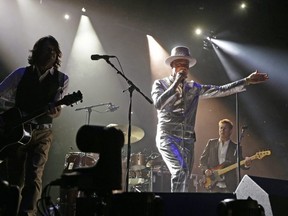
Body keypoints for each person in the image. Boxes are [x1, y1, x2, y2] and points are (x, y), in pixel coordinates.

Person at [151, 46, 268, 192]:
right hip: (167, 136)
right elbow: (158, 103)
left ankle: (180, 205)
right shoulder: (160, 84)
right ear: (172, 66)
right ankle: (178, 209)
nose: (183, 69)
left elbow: (221, 90)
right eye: (180, 65)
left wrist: (246, 81)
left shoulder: (193, 88)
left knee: (185, 176)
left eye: (186, 66)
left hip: (187, 140)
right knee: (180, 170)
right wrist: (176, 84)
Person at [0, 35, 69, 216]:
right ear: (37, 52)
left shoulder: (62, 79)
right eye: (47, 49)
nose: (51, 54)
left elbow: (58, 108)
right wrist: (10, 113)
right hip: (17, 132)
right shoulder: (21, 74)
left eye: (54, 51)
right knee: (14, 179)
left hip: (43, 133)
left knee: (34, 177)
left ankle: (28, 214)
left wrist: (55, 111)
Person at [199, 119, 251, 193]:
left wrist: (247, 164)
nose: (222, 130)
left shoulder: (236, 147)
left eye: (225, 128)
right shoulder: (211, 143)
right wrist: (205, 170)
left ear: (230, 131)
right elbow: (202, 160)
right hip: (213, 183)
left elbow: (241, 164)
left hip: (229, 186)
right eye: (221, 128)